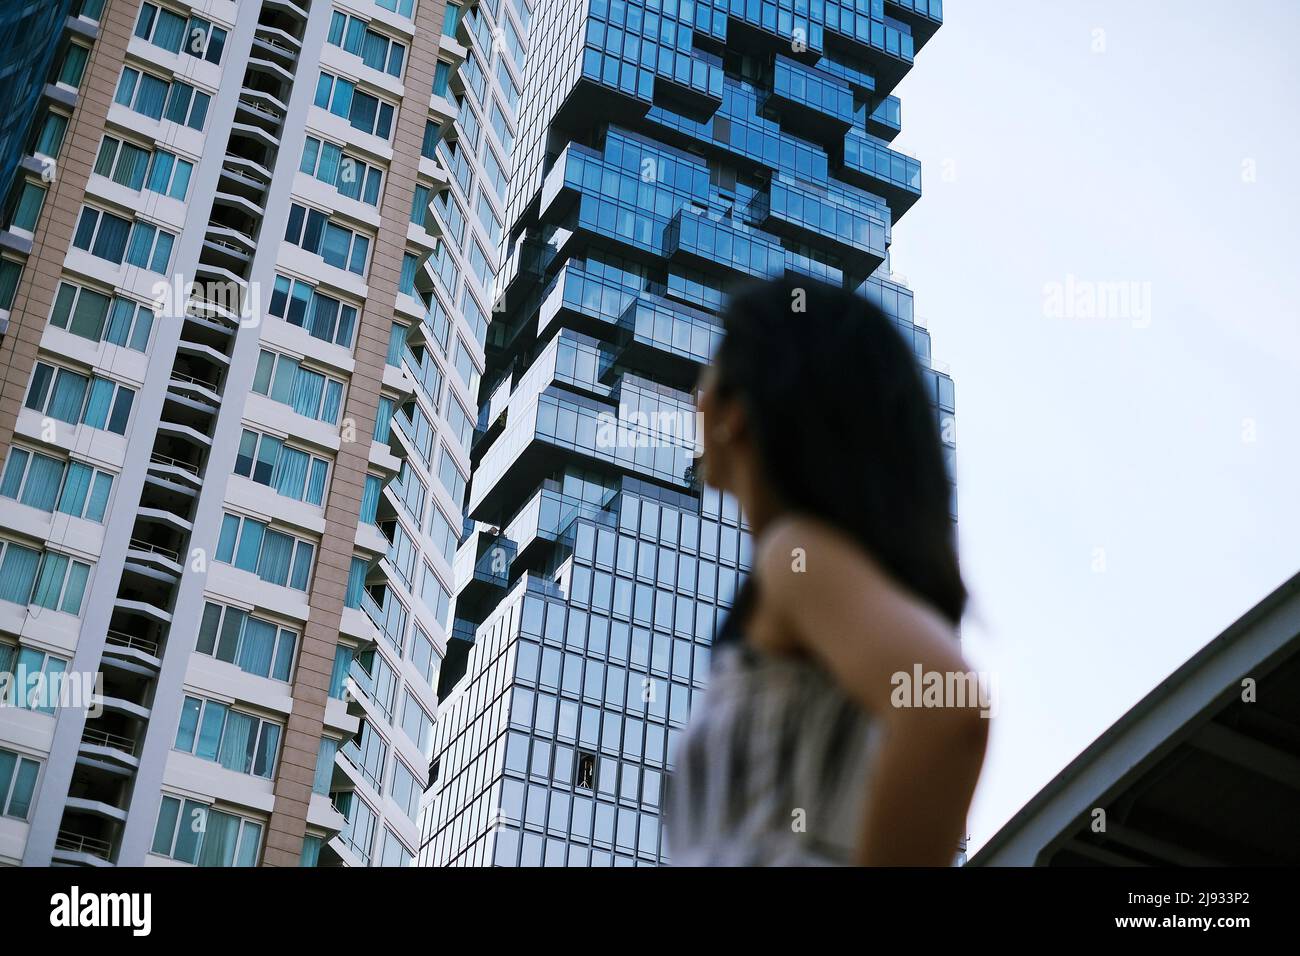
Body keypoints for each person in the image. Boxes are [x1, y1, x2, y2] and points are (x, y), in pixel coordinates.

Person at [663, 276, 988, 866]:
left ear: (742, 410)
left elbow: (949, 705)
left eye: (710, 370)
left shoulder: (798, 557)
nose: (695, 397)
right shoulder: (800, 576)